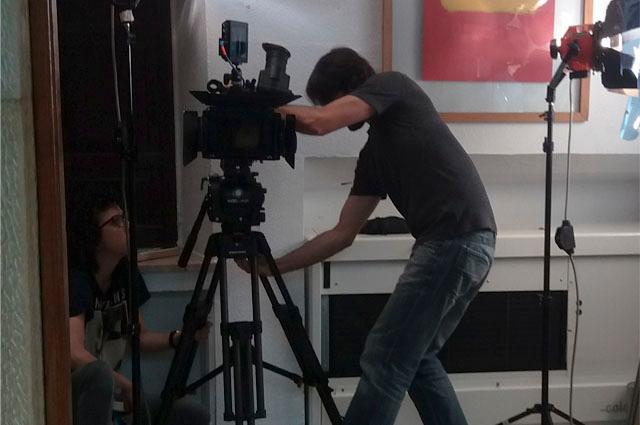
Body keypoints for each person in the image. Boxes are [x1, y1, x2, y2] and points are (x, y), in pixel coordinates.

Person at [239, 47, 497, 425]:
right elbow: (341, 234)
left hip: (454, 240)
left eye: (331, 99)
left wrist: (257, 109)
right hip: (465, 243)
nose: (331, 109)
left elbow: (320, 123)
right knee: (416, 360)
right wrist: (272, 266)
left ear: (349, 87)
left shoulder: (393, 85)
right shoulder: (374, 153)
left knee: (384, 355)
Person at [67, 186, 211, 425]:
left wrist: (180, 337)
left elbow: (140, 337)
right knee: (99, 374)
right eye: (116, 221)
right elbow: (74, 353)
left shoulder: (125, 273)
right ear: (94, 236)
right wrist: (124, 384)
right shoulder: (77, 281)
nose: (126, 225)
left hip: (116, 399)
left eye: (124, 218)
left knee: (192, 414)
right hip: (82, 399)